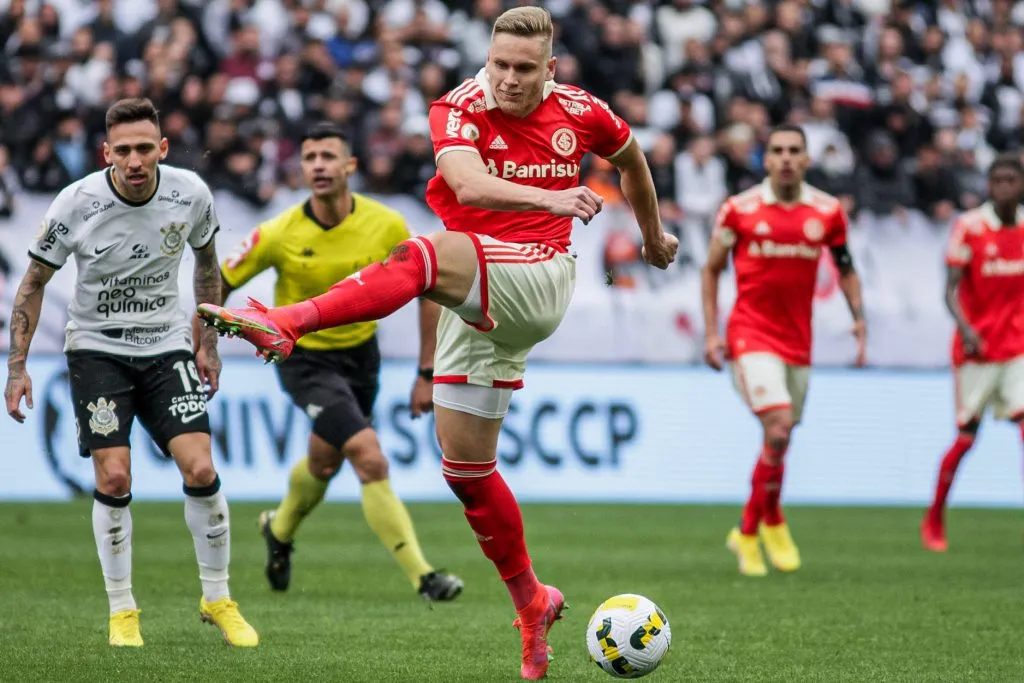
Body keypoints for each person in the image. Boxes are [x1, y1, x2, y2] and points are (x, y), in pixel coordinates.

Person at [197, 7, 677, 679]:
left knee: (423, 253)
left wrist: (652, 235)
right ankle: (533, 602)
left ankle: (291, 320)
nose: (508, 80)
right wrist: (556, 198)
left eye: (523, 69)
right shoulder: (458, 106)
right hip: (479, 289)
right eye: (499, 64)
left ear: (551, 69)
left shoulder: (579, 109)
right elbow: (465, 182)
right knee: (466, 471)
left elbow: (630, 156)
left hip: (537, 276)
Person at [3, 98, 258, 648]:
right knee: (114, 477)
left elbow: (208, 268)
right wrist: (16, 367)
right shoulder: (76, 202)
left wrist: (207, 344)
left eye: (146, 147)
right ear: (106, 153)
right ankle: (123, 611)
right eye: (124, 150)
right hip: (96, 351)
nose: (135, 159)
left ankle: (218, 598)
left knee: (200, 466)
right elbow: (32, 283)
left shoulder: (190, 193)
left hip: (167, 348)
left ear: (162, 148)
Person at [216, 122, 464, 601]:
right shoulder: (279, 232)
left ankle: (279, 529)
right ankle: (424, 576)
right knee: (369, 456)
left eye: (329, 156)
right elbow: (219, 281)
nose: (319, 166)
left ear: (350, 166)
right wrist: (206, 345)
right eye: (310, 158)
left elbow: (427, 292)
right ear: (302, 169)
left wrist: (425, 372)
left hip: (361, 358)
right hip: (304, 359)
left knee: (324, 462)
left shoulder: (386, 224)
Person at [702, 124, 866, 578]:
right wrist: (712, 334)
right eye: (778, 150)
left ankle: (771, 517)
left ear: (807, 159)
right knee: (777, 428)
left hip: (798, 341)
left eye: (795, 150)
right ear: (766, 159)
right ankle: (749, 531)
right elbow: (712, 269)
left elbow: (846, 266)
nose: (787, 157)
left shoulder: (827, 211)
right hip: (750, 335)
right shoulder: (740, 210)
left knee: (783, 435)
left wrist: (858, 315)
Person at [922, 154, 1024, 552]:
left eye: (1010, 180)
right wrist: (966, 329)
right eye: (996, 180)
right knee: (966, 438)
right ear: (988, 185)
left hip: (1017, 349)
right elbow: (949, 289)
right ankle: (934, 518)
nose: (1003, 187)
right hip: (977, 351)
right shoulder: (969, 228)